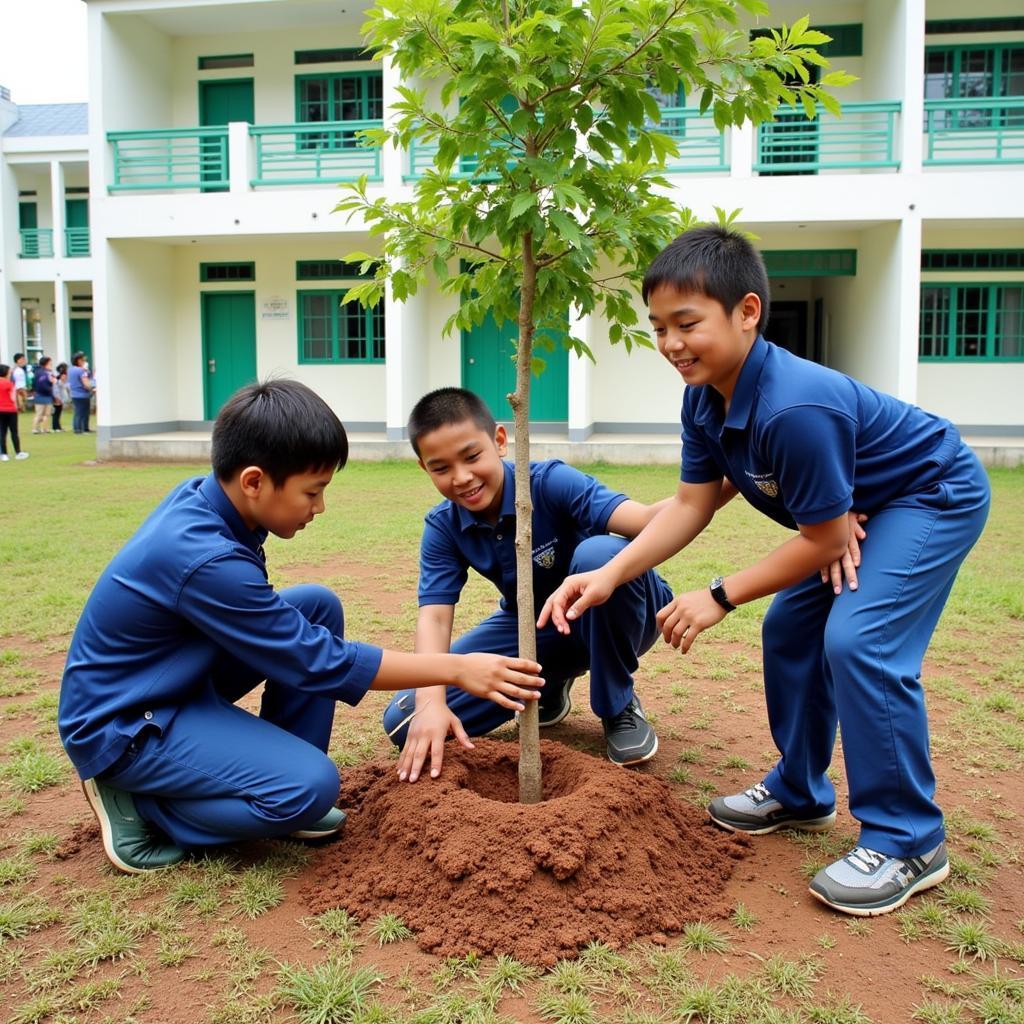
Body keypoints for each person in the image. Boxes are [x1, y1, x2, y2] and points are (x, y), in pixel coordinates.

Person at [539, 226, 990, 918]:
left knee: (859, 642)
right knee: (791, 631)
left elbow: (824, 536)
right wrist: (610, 573)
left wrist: (719, 594)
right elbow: (693, 504)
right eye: (658, 327)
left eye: (687, 323)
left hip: (929, 495)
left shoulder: (793, 407)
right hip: (854, 508)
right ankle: (801, 791)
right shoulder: (704, 398)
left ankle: (909, 839)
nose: (671, 344)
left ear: (747, 311)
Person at [58, 379, 542, 875]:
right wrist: (455, 669)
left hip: (171, 678)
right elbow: (317, 660)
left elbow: (296, 640)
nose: (319, 507)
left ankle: (277, 783)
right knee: (310, 788)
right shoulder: (204, 558)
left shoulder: (210, 501)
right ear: (253, 482)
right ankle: (142, 805)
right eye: (313, 491)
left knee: (315, 606)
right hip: (123, 722)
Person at [380, 387, 674, 781]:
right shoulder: (443, 526)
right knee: (404, 721)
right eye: (441, 467)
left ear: (499, 440)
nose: (462, 477)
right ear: (424, 468)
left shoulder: (550, 482)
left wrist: (721, 481)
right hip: (535, 627)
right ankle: (548, 682)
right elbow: (433, 618)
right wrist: (432, 702)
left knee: (598, 556)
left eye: (471, 457)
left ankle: (617, 705)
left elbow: (645, 520)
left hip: (622, 608)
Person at [0, 364, 29, 460]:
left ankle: (4, 454)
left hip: (1, 410)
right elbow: (13, 398)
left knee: (2, 432)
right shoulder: (9, 383)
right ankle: (18, 452)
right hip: (10, 410)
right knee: (14, 432)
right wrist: (19, 407)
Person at [68, 351, 94, 433]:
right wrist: (92, 388)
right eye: (83, 360)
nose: (84, 362)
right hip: (82, 394)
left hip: (74, 394)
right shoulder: (81, 371)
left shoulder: (70, 370)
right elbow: (86, 383)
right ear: (79, 360)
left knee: (78, 412)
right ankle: (81, 428)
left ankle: (79, 428)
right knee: (83, 412)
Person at [31, 356, 55, 434]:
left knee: (39, 413)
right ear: (46, 363)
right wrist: (50, 387)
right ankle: (44, 429)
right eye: (50, 362)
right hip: (45, 395)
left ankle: (36, 428)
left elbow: (34, 384)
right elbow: (44, 384)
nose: (51, 364)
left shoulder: (37, 372)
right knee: (46, 414)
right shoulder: (45, 373)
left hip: (38, 395)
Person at [52, 362, 70, 432]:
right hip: (57, 395)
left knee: (58, 412)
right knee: (56, 412)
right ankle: (56, 427)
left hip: (59, 395)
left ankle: (58, 427)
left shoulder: (57, 376)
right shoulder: (61, 376)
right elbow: (62, 384)